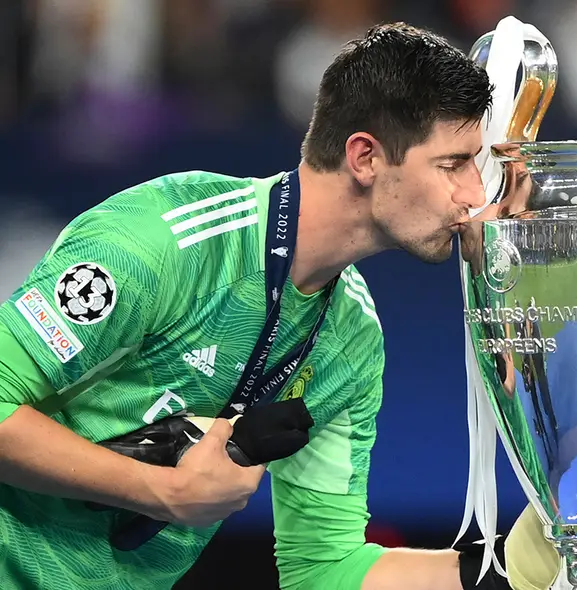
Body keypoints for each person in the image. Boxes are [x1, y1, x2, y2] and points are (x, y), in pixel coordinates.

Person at [0, 22, 512, 590]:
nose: (473, 194)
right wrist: (162, 491)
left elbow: (325, 569)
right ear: (364, 157)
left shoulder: (350, 336)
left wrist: (507, 571)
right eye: (453, 164)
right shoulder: (168, 241)